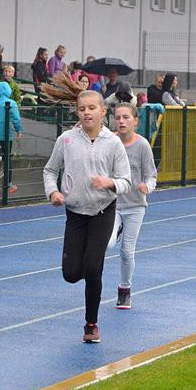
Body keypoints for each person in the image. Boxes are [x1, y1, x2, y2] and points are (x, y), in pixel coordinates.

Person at [43, 90, 132, 344]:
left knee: (94, 267)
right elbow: (50, 170)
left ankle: (91, 324)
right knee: (71, 274)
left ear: (103, 112)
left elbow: (126, 181)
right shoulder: (67, 140)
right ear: (77, 112)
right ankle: (86, 262)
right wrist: (53, 191)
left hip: (103, 211)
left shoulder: (113, 143)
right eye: (82, 109)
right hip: (75, 212)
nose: (87, 113)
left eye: (92, 108)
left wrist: (110, 183)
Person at [109, 102, 156, 310]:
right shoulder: (109, 142)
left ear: (135, 121)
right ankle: (115, 229)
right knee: (107, 245)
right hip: (112, 205)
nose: (121, 121)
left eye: (126, 117)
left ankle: (124, 289)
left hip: (135, 206)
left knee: (127, 252)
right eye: (118, 117)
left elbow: (152, 175)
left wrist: (148, 186)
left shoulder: (142, 145)